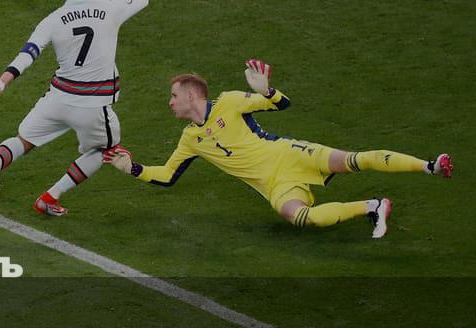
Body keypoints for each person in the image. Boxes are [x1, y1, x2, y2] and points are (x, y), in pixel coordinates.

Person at [104, 59, 453, 238]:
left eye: (174, 96)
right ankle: (374, 206)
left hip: (290, 154)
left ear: (192, 95)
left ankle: (430, 166)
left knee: (353, 160)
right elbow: (167, 176)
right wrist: (132, 168)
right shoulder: (189, 139)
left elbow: (281, 105)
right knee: (301, 218)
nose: (170, 103)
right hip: (275, 185)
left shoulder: (230, 102)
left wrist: (266, 90)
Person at [0, 0, 150, 216]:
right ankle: (49, 197)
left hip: (57, 99)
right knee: (107, 151)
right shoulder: (110, 8)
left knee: (23, 141)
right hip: (92, 105)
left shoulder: (53, 20)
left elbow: (28, 53)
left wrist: (1, 83)